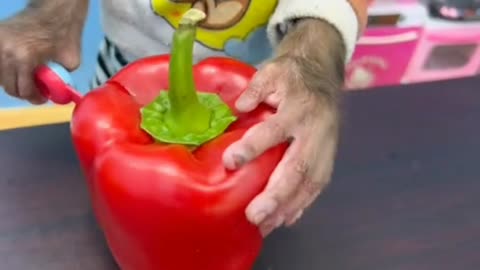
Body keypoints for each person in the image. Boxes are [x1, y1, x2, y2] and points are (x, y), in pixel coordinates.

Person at [0, 0, 371, 236]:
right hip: (122, 82)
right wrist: (54, 8)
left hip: (258, 101)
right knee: (122, 212)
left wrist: (315, 60)